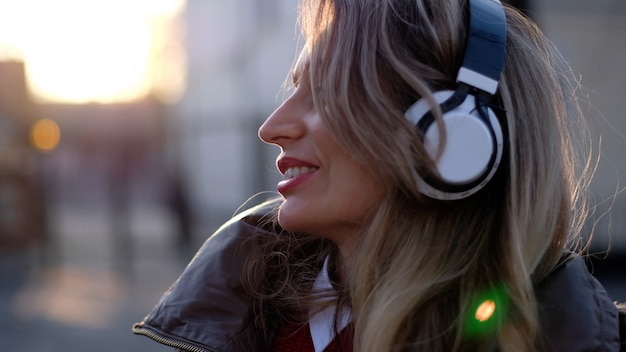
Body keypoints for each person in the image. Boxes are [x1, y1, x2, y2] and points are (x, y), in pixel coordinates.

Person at [133, 0, 625, 350]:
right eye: (291, 89)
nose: (271, 128)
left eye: (324, 92)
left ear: (451, 138)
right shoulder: (248, 320)